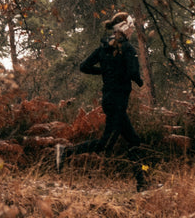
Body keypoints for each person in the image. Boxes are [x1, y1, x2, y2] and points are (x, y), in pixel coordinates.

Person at [58, 10, 149, 191]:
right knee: (105, 144)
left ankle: (143, 182)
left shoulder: (103, 48)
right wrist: (139, 80)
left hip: (109, 100)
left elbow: (84, 66)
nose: (132, 30)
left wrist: (104, 72)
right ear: (124, 28)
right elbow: (133, 73)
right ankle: (65, 152)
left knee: (134, 141)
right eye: (130, 27)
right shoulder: (128, 49)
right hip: (118, 102)